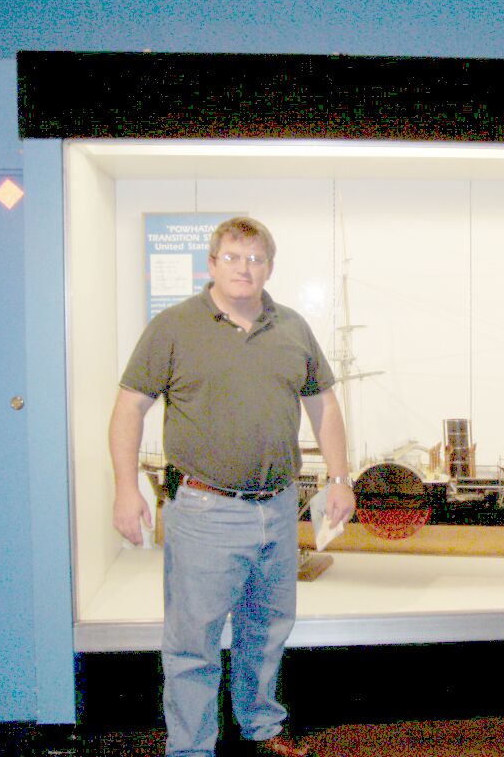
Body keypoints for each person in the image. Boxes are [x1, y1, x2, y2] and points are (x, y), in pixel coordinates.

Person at [109, 216, 355, 757]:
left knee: (266, 629)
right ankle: (191, 748)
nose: (245, 268)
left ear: (270, 266)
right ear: (212, 264)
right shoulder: (173, 327)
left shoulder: (292, 328)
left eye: (256, 259)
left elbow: (323, 404)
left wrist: (340, 478)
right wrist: (127, 489)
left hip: (278, 506)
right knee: (192, 640)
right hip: (205, 509)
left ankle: (261, 727)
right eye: (233, 258)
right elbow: (129, 408)